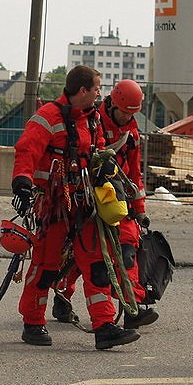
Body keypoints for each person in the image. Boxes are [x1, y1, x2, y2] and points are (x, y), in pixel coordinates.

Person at [10, 65, 141, 350]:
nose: (99, 93)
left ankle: (104, 327)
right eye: (96, 88)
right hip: (53, 206)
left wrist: (106, 162)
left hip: (85, 205)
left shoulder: (92, 120)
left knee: (97, 265)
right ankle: (32, 322)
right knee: (46, 265)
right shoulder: (46, 118)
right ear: (82, 90)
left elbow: (99, 147)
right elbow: (27, 150)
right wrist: (21, 180)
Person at [51, 78, 158, 329]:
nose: (125, 118)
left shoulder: (131, 134)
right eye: (123, 113)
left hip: (115, 199)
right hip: (88, 195)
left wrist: (139, 211)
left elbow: (134, 175)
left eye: (130, 114)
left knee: (127, 248)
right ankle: (62, 296)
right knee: (82, 254)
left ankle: (133, 306)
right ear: (113, 105)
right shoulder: (92, 121)